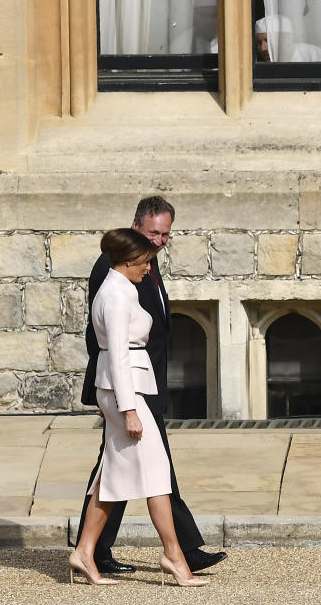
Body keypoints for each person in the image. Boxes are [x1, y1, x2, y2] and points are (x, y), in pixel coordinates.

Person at [76, 196, 227, 576]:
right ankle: (180, 552)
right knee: (149, 469)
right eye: (153, 234)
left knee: (115, 470)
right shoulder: (111, 275)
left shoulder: (145, 264)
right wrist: (119, 399)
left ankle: (91, 550)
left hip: (143, 384)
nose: (159, 242)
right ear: (135, 228)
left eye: (165, 235)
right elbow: (107, 342)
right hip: (127, 387)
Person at [255, 14, 321, 62]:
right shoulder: (258, 65)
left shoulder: (314, 55)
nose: (263, 48)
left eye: (268, 40)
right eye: (259, 42)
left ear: (286, 39)